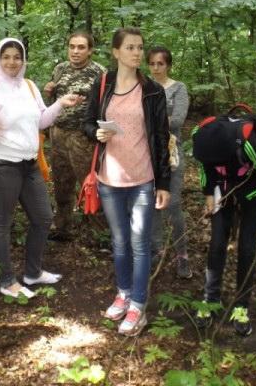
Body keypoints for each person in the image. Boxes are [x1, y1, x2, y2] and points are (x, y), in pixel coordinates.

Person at [0, 38, 81, 299]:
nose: (12, 62)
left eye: (17, 57)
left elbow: (41, 121)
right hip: (2, 165)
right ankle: (7, 281)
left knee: (43, 217)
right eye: (6, 57)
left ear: (23, 60)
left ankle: (33, 272)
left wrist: (60, 103)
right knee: (2, 224)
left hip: (29, 164)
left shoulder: (29, 86)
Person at [83, 27, 171, 336]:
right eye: (130, 47)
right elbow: (87, 121)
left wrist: (164, 183)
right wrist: (95, 132)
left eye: (140, 47)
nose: (137, 53)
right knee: (119, 242)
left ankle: (138, 305)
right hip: (109, 179)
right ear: (116, 52)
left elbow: (161, 137)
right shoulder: (103, 83)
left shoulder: (152, 90)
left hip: (143, 178)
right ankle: (123, 293)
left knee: (139, 244)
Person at [192, 105, 256, 337]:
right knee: (217, 243)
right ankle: (210, 299)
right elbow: (206, 169)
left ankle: (241, 305)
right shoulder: (201, 136)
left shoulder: (249, 144)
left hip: (254, 190)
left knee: (246, 247)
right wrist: (209, 194)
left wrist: (240, 198)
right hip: (223, 188)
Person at [43, 31, 105, 242]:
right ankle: (62, 227)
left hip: (82, 137)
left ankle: (99, 235)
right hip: (58, 133)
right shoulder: (60, 69)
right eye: (72, 46)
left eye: (81, 47)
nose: (75, 51)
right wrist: (49, 90)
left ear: (90, 50)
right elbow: (54, 99)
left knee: (90, 185)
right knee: (62, 183)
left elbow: (106, 105)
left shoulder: (99, 73)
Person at [146, 46, 192, 279]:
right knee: (153, 203)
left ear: (168, 65)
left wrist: (150, 120)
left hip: (172, 153)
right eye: (152, 64)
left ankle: (182, 255)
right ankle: (157, 250)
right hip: (147, 153)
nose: (156, 68)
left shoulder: (178, 88)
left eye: (160, 64)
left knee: (172, 204)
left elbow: (177, 121)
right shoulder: (143, 88)